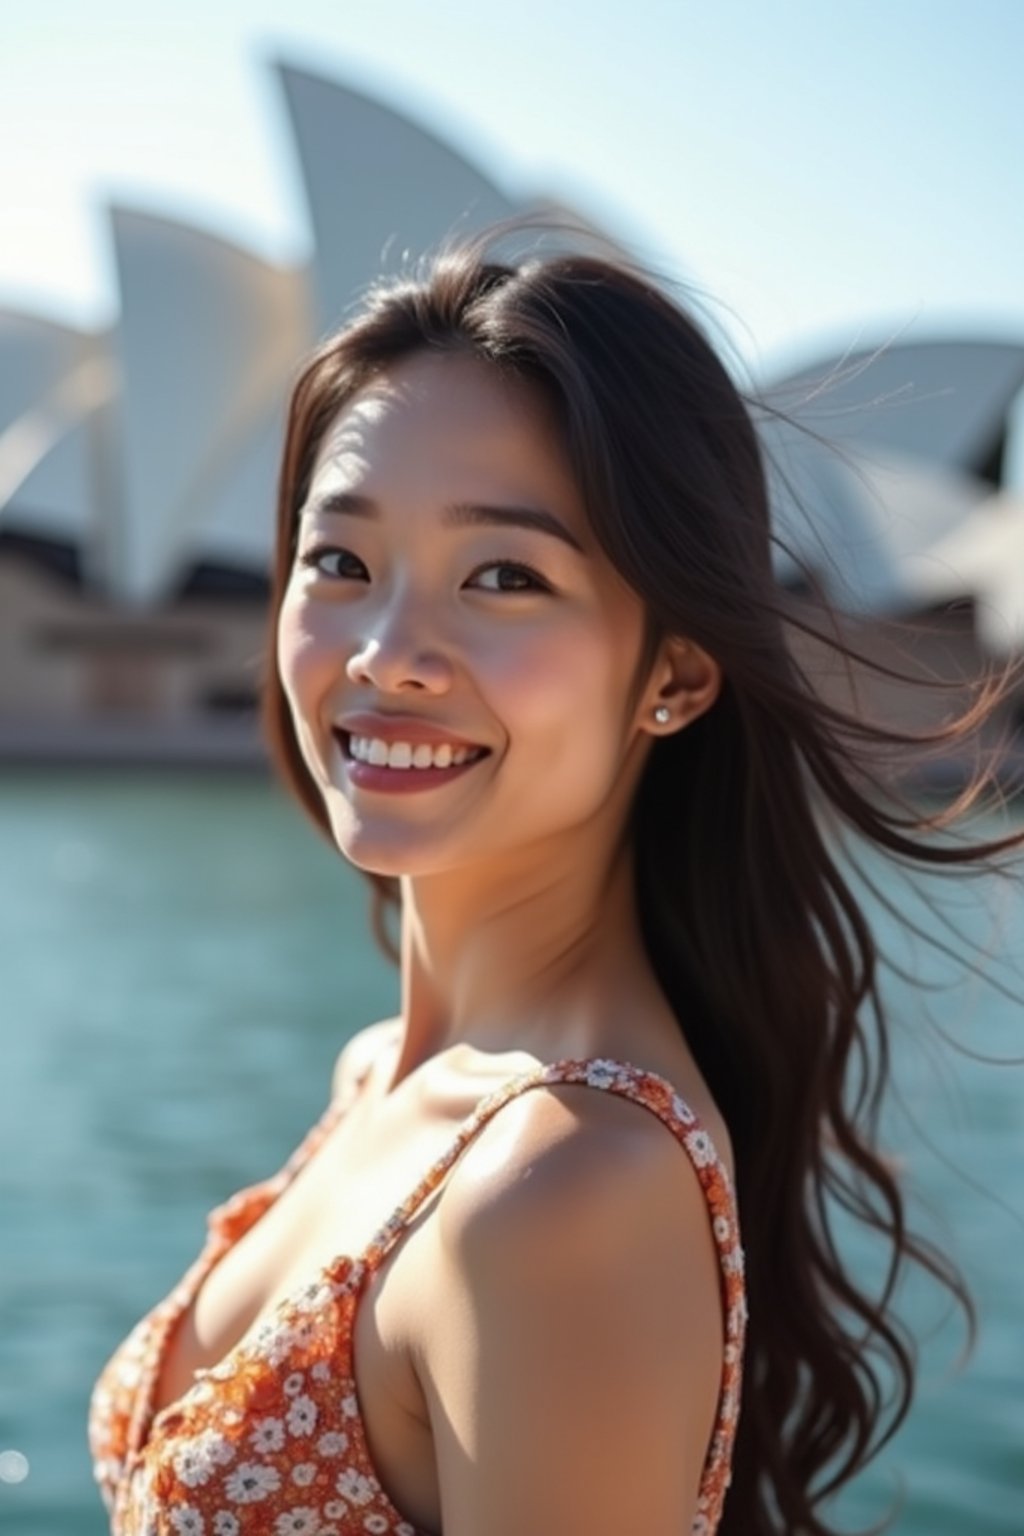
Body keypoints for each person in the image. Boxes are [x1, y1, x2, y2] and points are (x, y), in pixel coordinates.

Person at [89, 216, 1024, 1536]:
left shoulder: (568, 1190)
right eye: (342, 560)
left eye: (505, 576)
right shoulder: (387, 1077)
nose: (388, 652)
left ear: (675, 674)